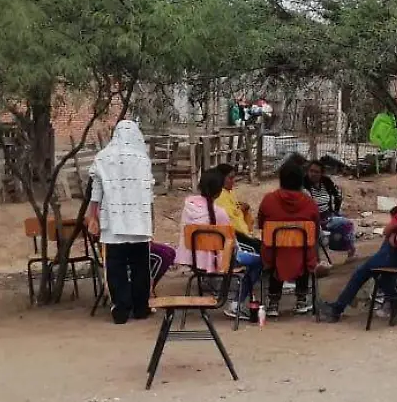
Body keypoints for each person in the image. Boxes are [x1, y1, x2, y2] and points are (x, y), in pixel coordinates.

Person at [320, 172, 397, 323]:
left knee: (363, 270)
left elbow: (387, 231)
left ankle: (338, 309)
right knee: (381, 269)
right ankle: (394, 301)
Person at [86, 119, 162, 325]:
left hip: (113, 226)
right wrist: (150, 223)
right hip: (139, 224)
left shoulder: (102, 158)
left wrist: (92, 217)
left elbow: (96, 194)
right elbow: (150, 195)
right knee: (140, 268)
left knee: (115, 268)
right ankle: (140, 308)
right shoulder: (143, 160)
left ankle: (120, 310)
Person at [174, 170, 264, 319]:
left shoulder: (188, 206)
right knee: (258, 261)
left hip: (194, 260)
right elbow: (231, 245)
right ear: (218, 191)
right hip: (219, 261)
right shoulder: (219, 213)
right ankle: (235, 304)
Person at [256, 162, 320, 317]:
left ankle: (273, 303)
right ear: (300, 181)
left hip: (274, 254)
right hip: (303, 255)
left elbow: (261, 224)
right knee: (305, 250)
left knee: (277, 253)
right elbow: (316, 230)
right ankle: (301, 299)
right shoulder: (310, 203)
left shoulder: (268, 200)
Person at [305, 159, 357, 259]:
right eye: (311, 171)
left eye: (316, 172)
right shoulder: (304, 184)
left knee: (346, 224)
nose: (313, 174)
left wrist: (336, 211)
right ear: (307, 171)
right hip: (313, 220)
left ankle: (349, 251)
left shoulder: (326, 181)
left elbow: (337, 196)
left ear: (321, 173)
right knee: (347, 223)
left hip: (327, 216)